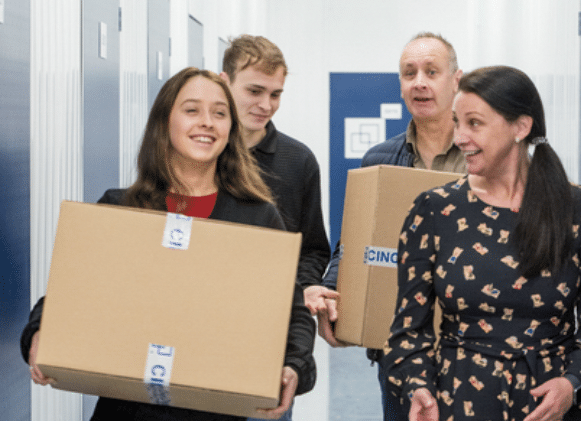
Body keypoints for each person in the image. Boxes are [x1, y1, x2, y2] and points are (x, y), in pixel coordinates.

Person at [21, 67, 316, 421]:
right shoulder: (122, 210)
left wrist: (294, 365)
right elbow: (71, 292)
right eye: (192, 110)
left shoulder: (256, 218)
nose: (207, 122)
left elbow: (292, 310)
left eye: (219, 113)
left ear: (230, 130)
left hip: (214, 412)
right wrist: (40, 330)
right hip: (126, 412)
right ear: (165, 122)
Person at [382, 66, 581, 421]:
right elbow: (407, 332)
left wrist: (572, 385)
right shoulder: (434, 210)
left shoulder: (579, 209)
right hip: (459, 404)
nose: (460, 136)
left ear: (520, 128)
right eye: (457, 122)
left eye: (474, 123)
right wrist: (418, 385)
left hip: (554, 409)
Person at [319, 32, 466, 421]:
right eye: (409, 73)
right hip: (401, 348)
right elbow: (351, 246)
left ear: (456, 81)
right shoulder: (380, 159)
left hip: (473, 348)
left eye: (431, 71)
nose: (419, 81)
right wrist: (337, 297)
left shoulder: (482, 155)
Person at [219, 34, 333, 421]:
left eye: (276, 93)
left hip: (272, 338)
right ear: (224, 83)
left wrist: (296, 289)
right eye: (254, 90)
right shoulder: (199, 153)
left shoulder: (298, 161)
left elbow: (314, 248)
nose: (266, 105)